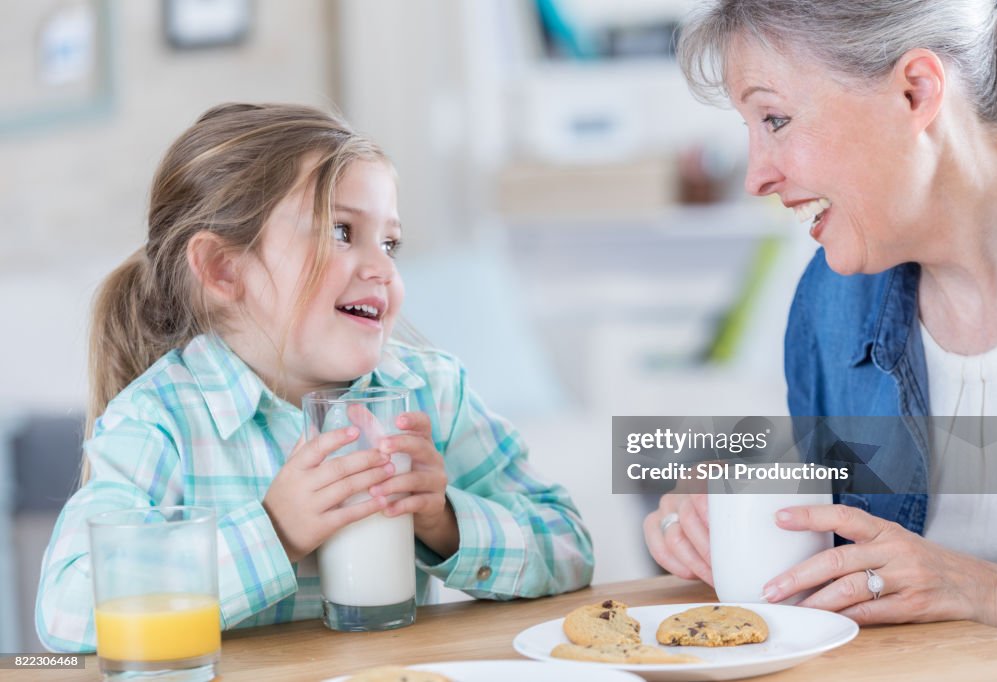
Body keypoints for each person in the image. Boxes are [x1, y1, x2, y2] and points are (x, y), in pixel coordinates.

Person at [36, 103, 594, 652]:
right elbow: (67, 609)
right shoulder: (161, 420)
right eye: (342, 232)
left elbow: (569, 545)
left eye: (390, 242)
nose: (383, 268)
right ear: (224, 269)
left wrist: (445, 520)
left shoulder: (430, 395)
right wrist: (275, 531)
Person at [645, 0, 997, 632]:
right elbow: (847, 553)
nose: (757, 176)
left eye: (776, 118)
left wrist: (984, 590)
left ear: (915, 91)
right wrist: (733, 504)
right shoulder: (830, 306)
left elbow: (942, 582)